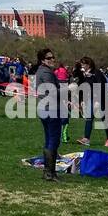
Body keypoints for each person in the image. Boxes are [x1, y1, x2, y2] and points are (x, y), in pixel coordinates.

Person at [34, 48, 67, 181]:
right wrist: (67, 89)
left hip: (44, 108)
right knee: (53, 140)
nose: (52, 59)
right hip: (51, 109)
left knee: (49, 139)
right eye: (49, 58)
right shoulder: (46, 72)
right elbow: (51, 92)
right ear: (43, 60)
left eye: (53, 57)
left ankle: (48, 172)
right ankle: (49, 173)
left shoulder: (42, 71)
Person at [75, 57, 108, 148]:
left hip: (101, 98)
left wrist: (98, 101)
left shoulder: (96, 73)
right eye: (81, 64)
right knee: (89, 118)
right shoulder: (85, 74)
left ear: (89, 64)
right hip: (90, 98)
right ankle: (86, 139)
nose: (82, 65)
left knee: (104, 119)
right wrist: (81, 100)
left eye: (83, 64)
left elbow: (101, 86)